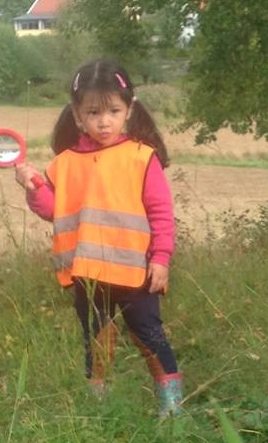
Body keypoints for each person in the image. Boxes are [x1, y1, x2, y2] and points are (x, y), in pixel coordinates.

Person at [14, 59, 184, 416]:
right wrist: (33, 186)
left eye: (113, 111)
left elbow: (161, 214)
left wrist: (161, 259)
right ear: (77, 114)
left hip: (136, 274)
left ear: (129, 110)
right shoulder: (65, 162)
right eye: (93, 112)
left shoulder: (141, 158)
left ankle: (172, 409)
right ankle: (99, 409)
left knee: (150, 337)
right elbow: (51, 208)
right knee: (96, 341)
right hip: (87, 274)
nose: (103, 121)